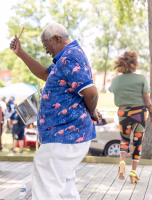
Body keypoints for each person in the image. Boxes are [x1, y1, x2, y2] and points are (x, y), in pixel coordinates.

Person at [10, 23, 101, 199]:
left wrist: (92, 112)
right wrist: (20, 53)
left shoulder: (69, 58)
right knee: (64, 188)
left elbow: (91, 92)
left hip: (65, 133)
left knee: (46, 187)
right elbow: (44, 73)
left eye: (46, 46)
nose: (46, 51)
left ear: (57, 39)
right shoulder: (65, 59)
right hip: (66, 134)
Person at [109, 50, 152, 184]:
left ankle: (122, 163)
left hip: (123, 114)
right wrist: (151, 112)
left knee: (124, 141)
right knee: (137, 143)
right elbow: (147, 100)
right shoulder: (141, 78)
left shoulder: (116, 80)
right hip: (139, 114)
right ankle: (133, 173)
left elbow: (112, 90)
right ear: (135, 63)